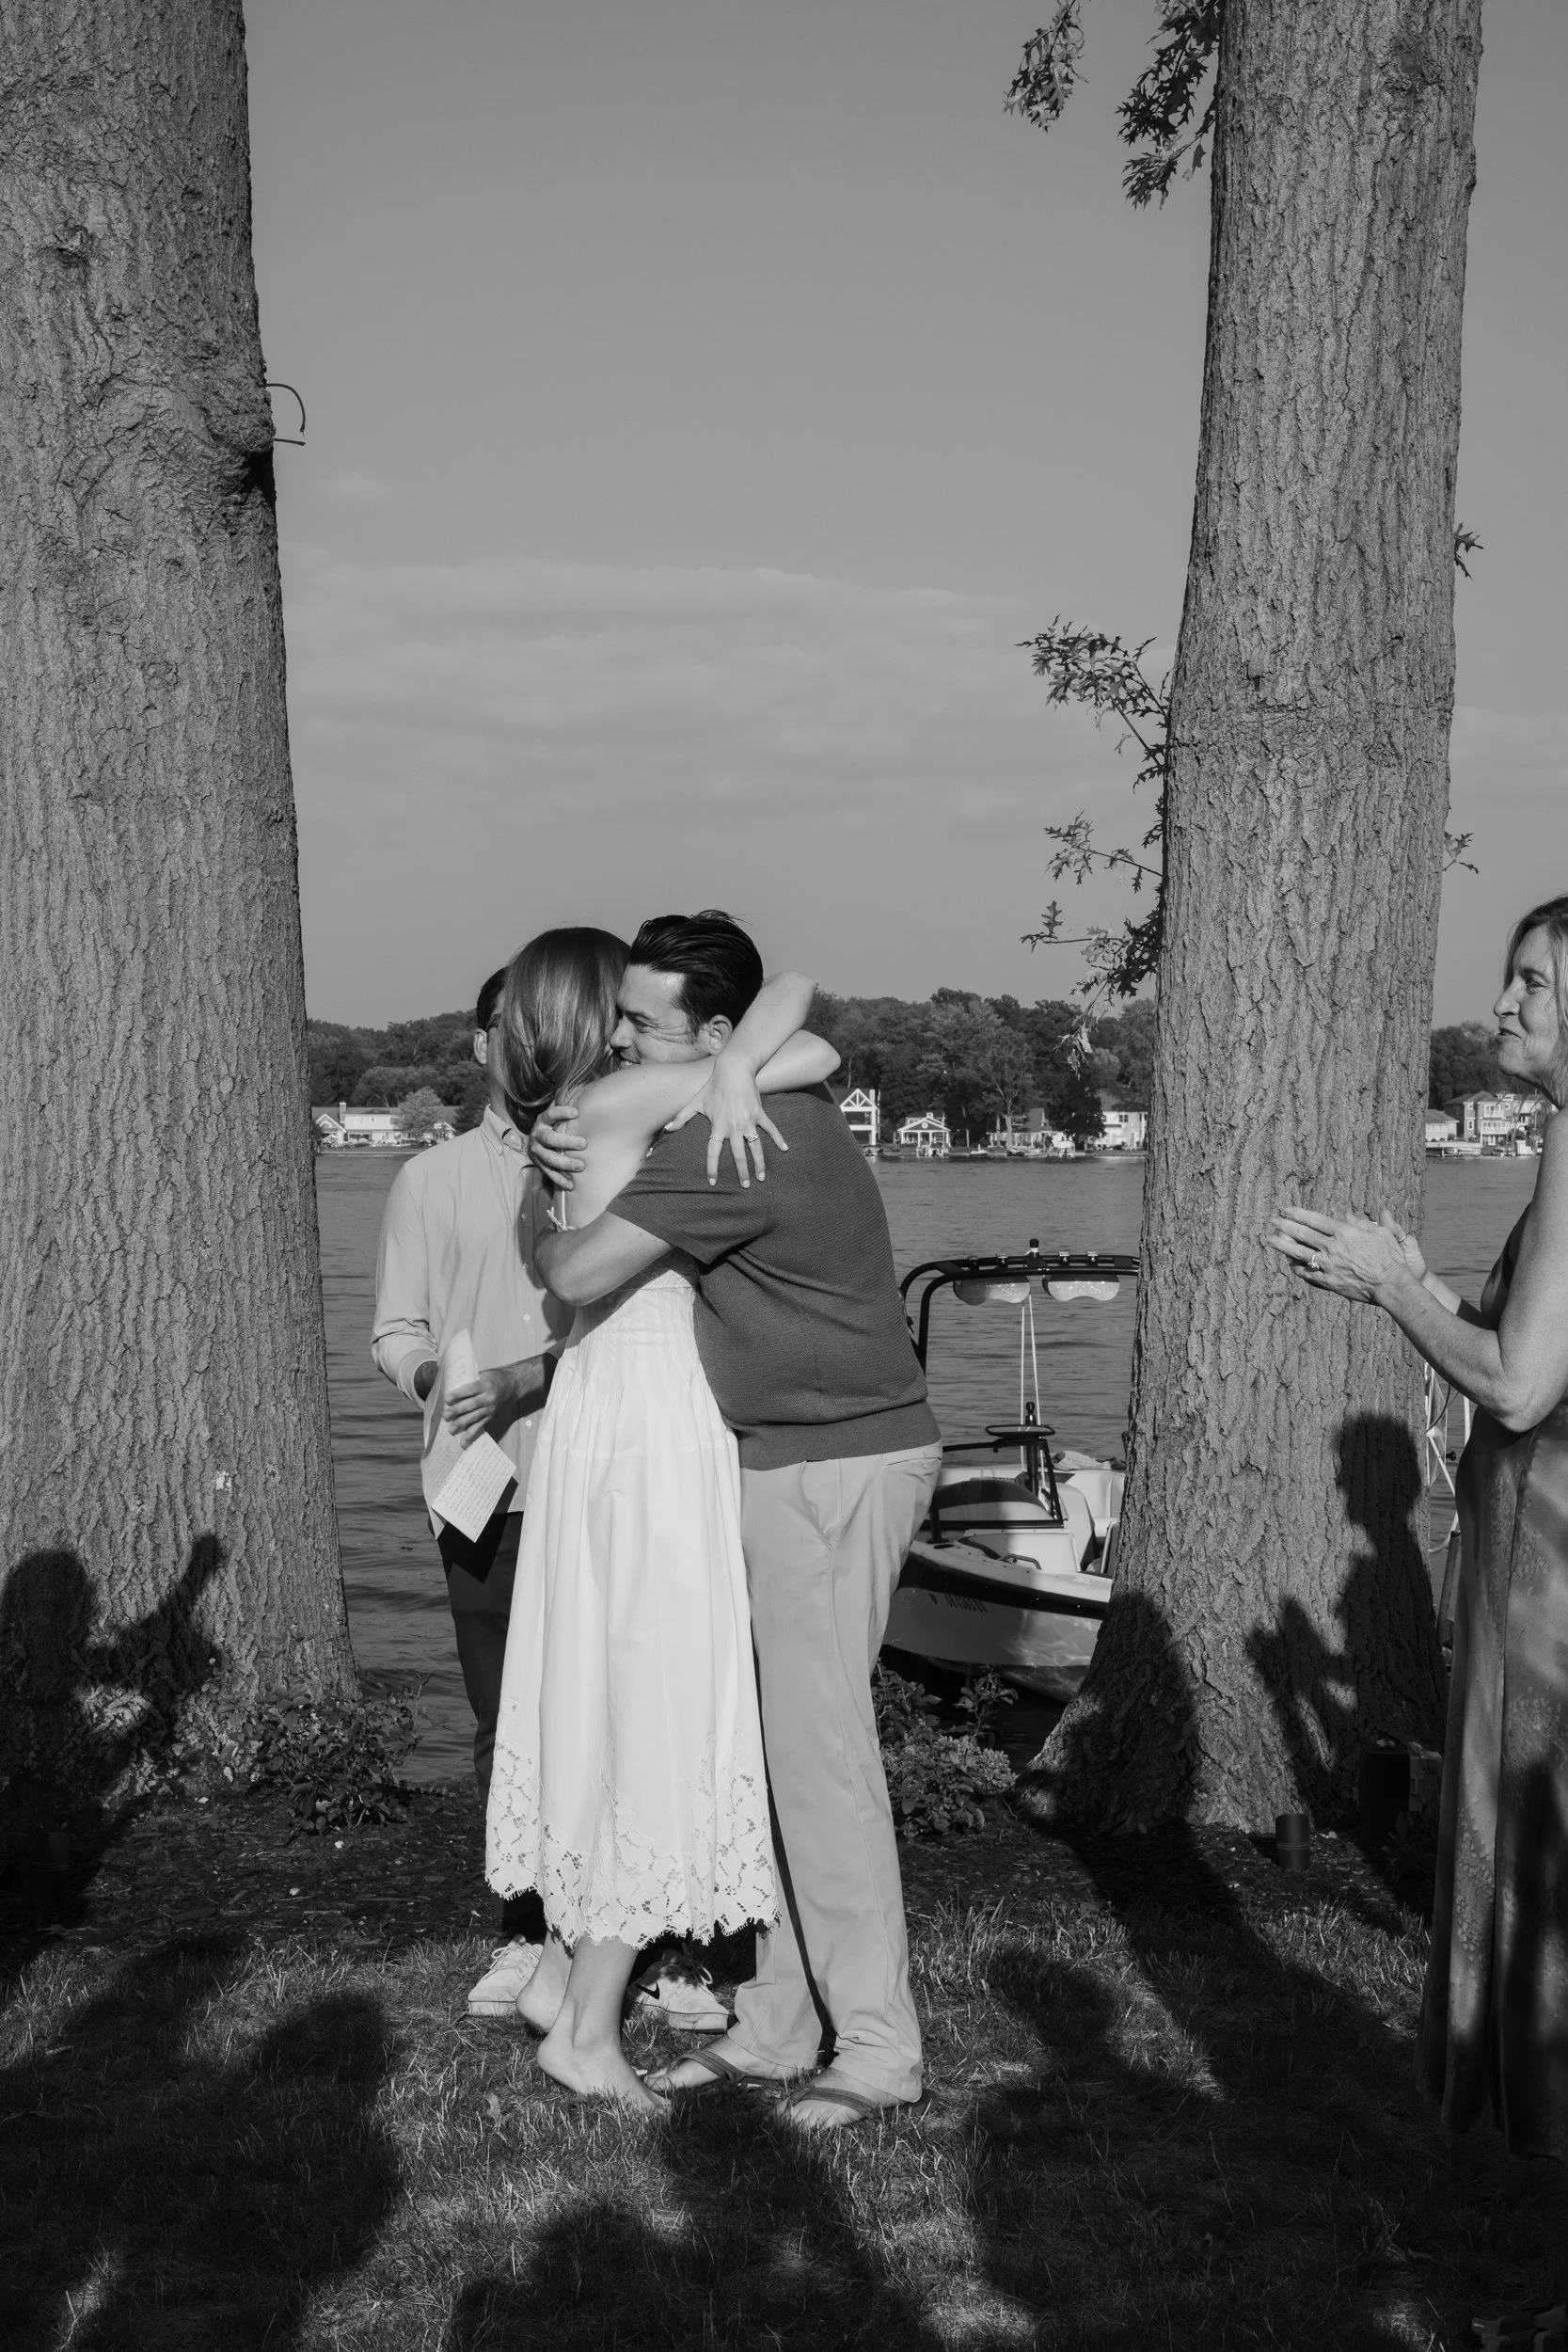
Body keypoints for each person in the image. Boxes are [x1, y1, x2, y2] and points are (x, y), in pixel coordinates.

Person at [533, 911, 942, 2132]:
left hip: (828, 1466)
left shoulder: (727, 1140)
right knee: (761, 1751)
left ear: (716, 1040)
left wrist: (551, 1184)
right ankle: (774, 2023)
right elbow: (799, 1017)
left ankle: (877, 2050)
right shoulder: (749, 1096)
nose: (618, 1040)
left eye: (641, 1025)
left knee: (816, 1763)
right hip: (795, 1457)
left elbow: (573, 1274)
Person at [485, 926, 839, 2109]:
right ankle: (587, 2030)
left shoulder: (575, 1113)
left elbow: (549, 1263)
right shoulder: (641, 1094)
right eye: (628, 1014)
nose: (638, 1032)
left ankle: (555, 1973)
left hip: (591, 1410)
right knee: (659, 1696)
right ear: (601, 1016)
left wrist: (720, 1067)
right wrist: (734, 1066)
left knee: (596, 1686)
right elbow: (812, 1034)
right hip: (654, 1419)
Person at [1271, 895, 1568, 2162]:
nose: (1500, 1003)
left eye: (1530, 982)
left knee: (1539, 1837)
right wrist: (1423, 1283)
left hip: (1547, 1565)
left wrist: (1391, 1288)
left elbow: (1518, 1386)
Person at [372, 966, 571, 2018]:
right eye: (512, 1025)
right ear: (481, 1042)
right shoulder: (429, 1179)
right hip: (479, 1485)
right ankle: (522, 1931)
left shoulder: (608, 1160)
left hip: (596, 1471)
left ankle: (636, 1929)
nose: (530, 1043)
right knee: (501, 1715)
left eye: (549, 1023)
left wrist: (525, 1380)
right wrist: (431, 1382)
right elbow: (393, 1329)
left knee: (615, 1704)